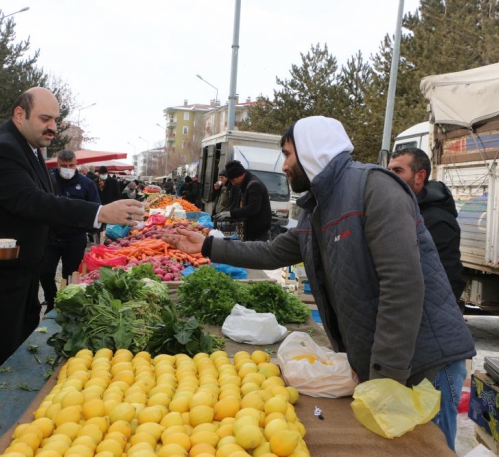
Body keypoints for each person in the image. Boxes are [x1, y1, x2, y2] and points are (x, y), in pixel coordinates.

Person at [164, 116, 476, 451]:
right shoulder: (317, 208)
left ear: (312, 151)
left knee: (431, 448)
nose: (284, 166)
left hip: (426, 359)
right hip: (389, 363)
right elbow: (273, 252)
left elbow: (402, 287)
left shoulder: (375, 189)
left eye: (288, 155)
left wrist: (384, 377)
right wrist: (208, 246)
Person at [0, 87, 144, 401]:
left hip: (10, 282)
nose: (52, 126)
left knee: (5, 372)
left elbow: (44, 202)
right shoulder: (2, 149)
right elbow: (32, 202)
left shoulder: (27, 149)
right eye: (44, 118)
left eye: (55, 119)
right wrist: (98, 212)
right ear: (19, 114)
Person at [388, 147, 466, 299]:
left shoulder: (438, 221)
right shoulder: (402, 209)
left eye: (398, 170)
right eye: (389, 170)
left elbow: (447, 278)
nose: (390, 176)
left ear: (419, 177)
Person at [40, 150, 100, 313]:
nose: (67, 168)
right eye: (64, 166)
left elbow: (96, 208)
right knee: (45, 271)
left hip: (75, 238)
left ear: (76, 164)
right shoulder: (48, 180)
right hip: (51, 237)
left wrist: (87, 228)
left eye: (71, 165)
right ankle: (51, 299)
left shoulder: (86, 183)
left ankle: (65, 306)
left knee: (70, 274)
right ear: (57, 164)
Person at [214, 160, 272, 241]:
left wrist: (230, 213)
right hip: (250, 231)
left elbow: (253, 208)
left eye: (233, 180)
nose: (233, 184)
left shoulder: (255, 185)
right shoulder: (245, 184)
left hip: (258, 233)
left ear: (239, 176)